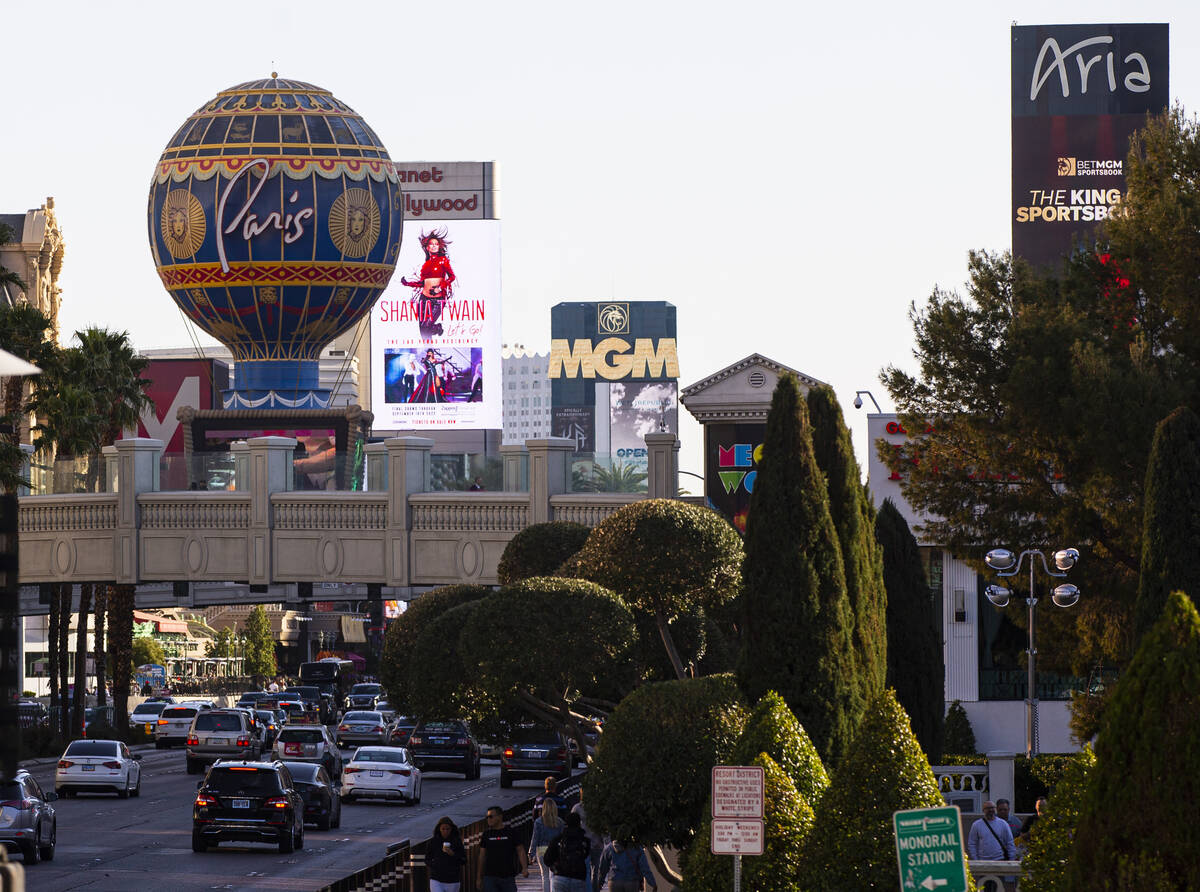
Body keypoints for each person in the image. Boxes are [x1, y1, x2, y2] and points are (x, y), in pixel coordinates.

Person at [401, 228, 455, 338]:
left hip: (438, 300)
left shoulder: (443, 260)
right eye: (432, 244)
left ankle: (437, 328)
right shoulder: (426, 264)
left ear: (439, 246)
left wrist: (440, 288)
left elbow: (452, 277)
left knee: (426, 326)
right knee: (422, 331)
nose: (434, 246)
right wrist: (408, 283)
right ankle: (428, 351)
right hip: (424, 299)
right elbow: (422, 283)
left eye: (436, 244)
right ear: (427, 247)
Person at [478, 805, 528, 892]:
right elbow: (481, 856)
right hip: (490, 876)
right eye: (487, 817)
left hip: (507, 876)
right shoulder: (486, 834)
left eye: (491, 817)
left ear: (500, 817)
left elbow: (520, 850)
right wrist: (479, 878)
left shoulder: (511, 832)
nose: (488, 819)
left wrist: (524, 867)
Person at [543, 811, 590, 892]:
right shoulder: (585, 841)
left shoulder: (558, 839)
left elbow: (547, 860)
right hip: (578, 878)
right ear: (579, 823)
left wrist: (555, 866)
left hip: (560, 876)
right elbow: (585, 856)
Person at [571, 789, 605, 890]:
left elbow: (571, 824)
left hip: (583, 844)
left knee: (586, 871)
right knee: (596, 871)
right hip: (596, 842)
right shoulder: (599, 808)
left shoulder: (577, 808)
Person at [528, 799, 565, 892]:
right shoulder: (560, 822)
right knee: (553, 875)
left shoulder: (538, 822)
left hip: (542, 850)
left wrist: (531, 853)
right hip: (555, 851)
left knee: (544, 876)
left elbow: (535, 838)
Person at [427, 815, 467, 892]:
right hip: (436, 878)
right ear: (439, 829)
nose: (445, 831)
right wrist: (435, 865)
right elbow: (427, 859)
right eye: (443, 829)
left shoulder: (457, 841)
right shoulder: (433, 841)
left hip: (453, 879)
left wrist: (453, 854)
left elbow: (464, 860)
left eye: (447, 829)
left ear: (451, 829)